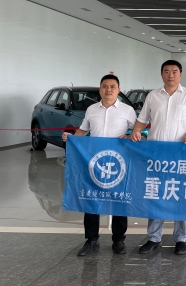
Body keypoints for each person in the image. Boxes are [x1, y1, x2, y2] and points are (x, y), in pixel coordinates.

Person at [130, 60, 186, 255]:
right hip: (157, 154)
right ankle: (154, 238)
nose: (171, 75)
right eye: (167, 71)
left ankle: (181, 238)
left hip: (181, 153)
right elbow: (142, 120)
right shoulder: (153, 96)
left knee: (180, 195)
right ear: (161, 74)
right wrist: (136, 131)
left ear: (181, 74)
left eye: (174, 71)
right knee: (156, 194)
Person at [62, 74, 136, 256]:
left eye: (112, 86)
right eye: (105, 86)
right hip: (94, 162)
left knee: (119, 199)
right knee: (91, 199)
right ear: (100, 89)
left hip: (118, 163)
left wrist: (130, 136)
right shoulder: (91, 109)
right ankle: (91, 240)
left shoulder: (127, 110)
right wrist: (71, 139)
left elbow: (138, 131)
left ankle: (118, 240)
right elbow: (83, 131)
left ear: (119, 90)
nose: (108, 89)